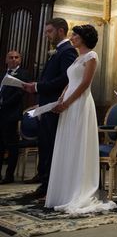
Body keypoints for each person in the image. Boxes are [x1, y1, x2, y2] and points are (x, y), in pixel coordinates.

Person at [45, 24, 116, 214]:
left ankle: (79, 190)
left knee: (78, 144)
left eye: (75, 35)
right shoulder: (76, 59)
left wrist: (67, 103)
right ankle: (65, 191)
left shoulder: (91, 56)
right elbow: (70, 82)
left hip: (80, 105)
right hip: (68, 103)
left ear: (84, 37)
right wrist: (61, 98)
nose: (72, 37)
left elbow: (85, 84)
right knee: (67, 144)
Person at [22, 18, 77, 198]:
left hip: (55, 105)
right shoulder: (59, 51)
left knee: (51, 145)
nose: (47, 35)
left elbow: (65, 79)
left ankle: (48, 185)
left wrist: (38, 87)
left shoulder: (67, 51)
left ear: (61, 31)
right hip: (47, 104)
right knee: (45, 144)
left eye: (49, 32)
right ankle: (45, 181)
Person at [0, 50, 31, 184]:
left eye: (16, 57)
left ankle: (9, 175)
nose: (13, 59)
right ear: (6, 60)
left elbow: (19, 93)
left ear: (20, 59)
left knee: (12, 146)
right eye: (10, 57)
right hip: (1, 113)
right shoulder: (2, 73)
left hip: (11, 113)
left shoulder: (23, 74)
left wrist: (2, 104)